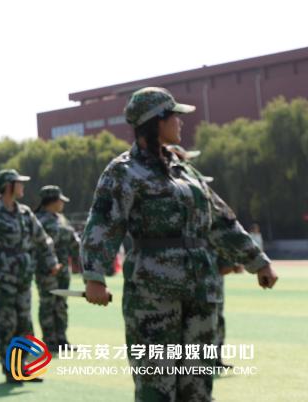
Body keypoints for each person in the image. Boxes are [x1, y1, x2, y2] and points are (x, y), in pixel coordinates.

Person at [82, 87, 279, 401]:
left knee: (198, 387)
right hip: (153, 296)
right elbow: (103, 223)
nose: (181, 121)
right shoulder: (123, 171)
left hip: (200, 291)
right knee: (156, 387)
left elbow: (220, 219)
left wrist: (258, 261)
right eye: (174, 115)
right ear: (156, 120)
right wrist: (94, 277)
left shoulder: (185, 170)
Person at [0, 169, 60, 384]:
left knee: (25, 324)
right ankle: (10, 369)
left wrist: (51, 262)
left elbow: (42, 239)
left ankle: (21, 366)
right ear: (8, 186)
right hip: (3, 279)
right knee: (6, 324)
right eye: (19, 182)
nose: (22, 186)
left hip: (24, 277)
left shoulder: (25, 212)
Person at [33, 184, 80, 353]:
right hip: (46, 270)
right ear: (52, 201)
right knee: (48, 304)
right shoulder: (37, 220)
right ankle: (49, 340)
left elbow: (74, 242)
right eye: (60, 200)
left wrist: (81, 258)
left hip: (63, 270)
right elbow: (36, 245)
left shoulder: (62, 219)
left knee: (61, 304)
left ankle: (61, 339)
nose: (63, 203)